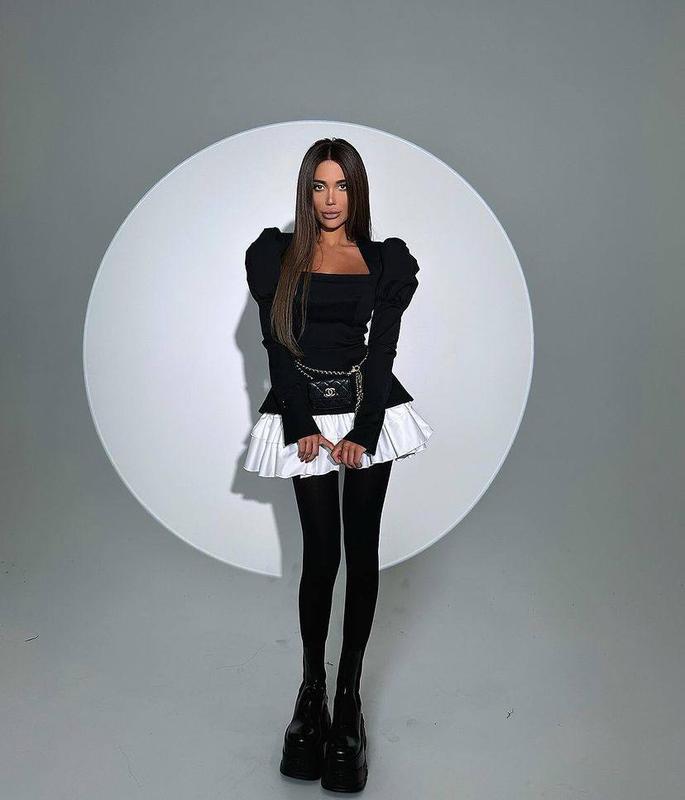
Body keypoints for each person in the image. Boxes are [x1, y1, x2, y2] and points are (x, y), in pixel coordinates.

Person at [243, 137, 434, 792]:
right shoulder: (277, 256)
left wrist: (367, 429)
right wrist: (299, 422)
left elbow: (381, 353)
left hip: (366, 409)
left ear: (357, 190)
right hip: (305, 411)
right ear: (306, 191)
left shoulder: (384, 260)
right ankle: (312, 691)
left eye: (342, 186)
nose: (330, 199)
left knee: (362, 551)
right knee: (320, 554)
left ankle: (348, 698)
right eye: (319, 186)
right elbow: (276, 346)